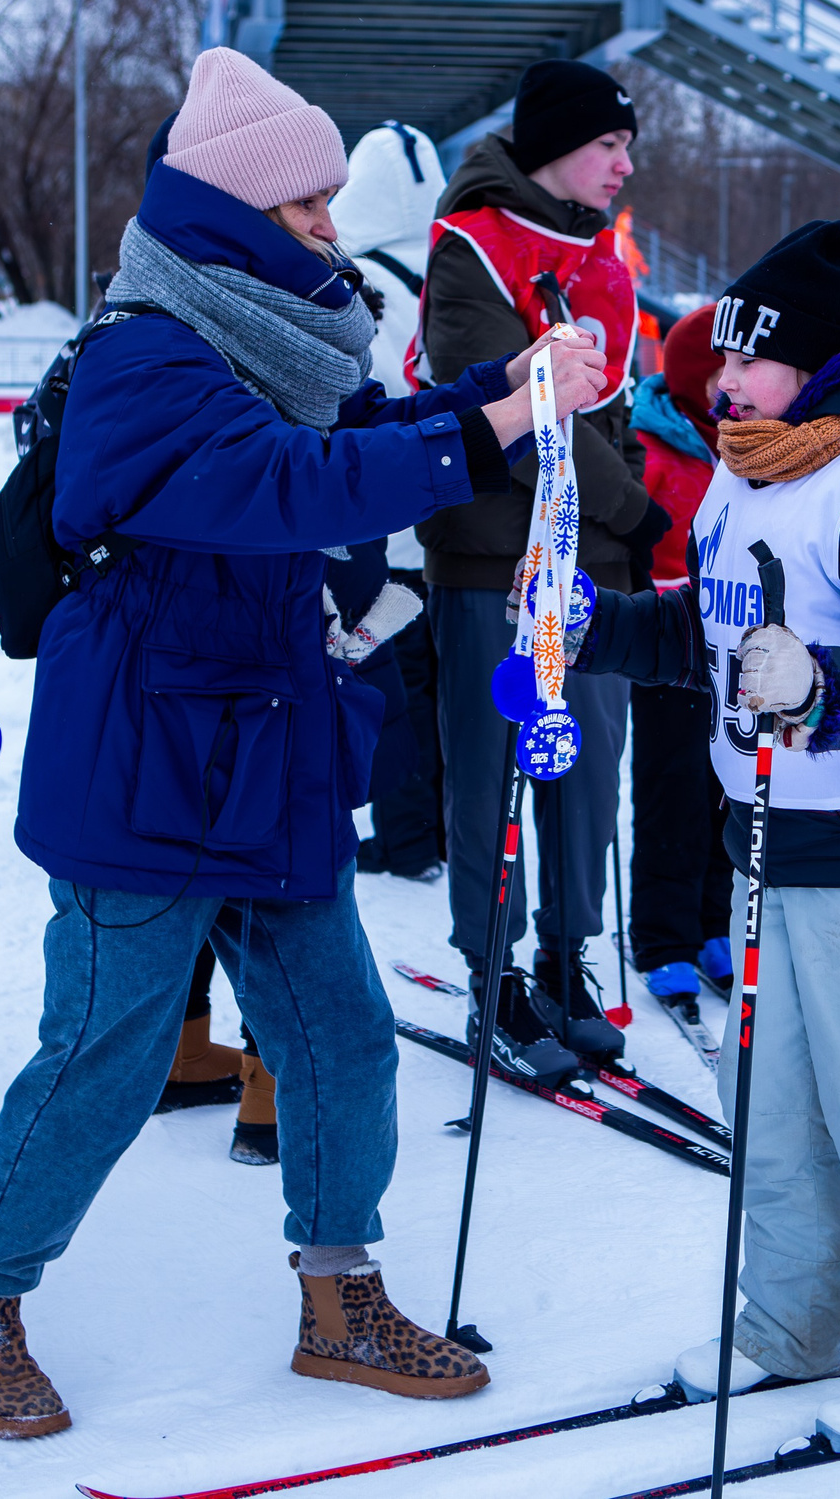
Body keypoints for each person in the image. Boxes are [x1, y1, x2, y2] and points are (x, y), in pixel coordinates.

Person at [0, 50, 606, 1436]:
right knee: (102, 1053)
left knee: (344, 1038)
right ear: (234, 209)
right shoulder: (140, 355)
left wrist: (497, 388)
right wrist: (499, 425)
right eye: (307, 209)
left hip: (266, 749)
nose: (329, 233)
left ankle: (339, 1294)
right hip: (145, 769)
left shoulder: (258, 336)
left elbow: (350, 426)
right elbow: (283, 484)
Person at [569, 219, 840, 1453]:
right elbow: (707, 640)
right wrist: (588, 629)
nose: (722, 383)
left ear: (817, 365)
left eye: (750, 365)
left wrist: (820, 686)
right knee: (771, 1117)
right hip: (768, 848)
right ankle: (791, 1326)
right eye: (721, 366)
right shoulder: (740, 472)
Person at [414, 58, 659, 1068]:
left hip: (589, 567)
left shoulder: (603, 255)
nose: (622, 165)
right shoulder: (471, 244)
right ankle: (493, 977)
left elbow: (613, 409)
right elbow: (515, 416)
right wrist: (635, 510)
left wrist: (627, 520)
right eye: (608, 144)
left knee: (586, 774)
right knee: (493, 777)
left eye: (626, 147)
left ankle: (565, 958)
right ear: (557, 143)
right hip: (494, 560)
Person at [335, 120, 449, 881]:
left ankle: (407, 840)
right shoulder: (456, 272)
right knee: (440, 692)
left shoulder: (360, 288)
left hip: (392, 534)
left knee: (393, 690)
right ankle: (437, 830)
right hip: (458, 527)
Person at [626, 304, 736, 1006]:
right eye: (725, 369)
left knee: (724, 785)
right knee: (672, 787)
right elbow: (637, 539)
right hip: (672, 639)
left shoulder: (750, 441)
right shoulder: (655, 442)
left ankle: (711, 921)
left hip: (734, 638)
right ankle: (663, 935)